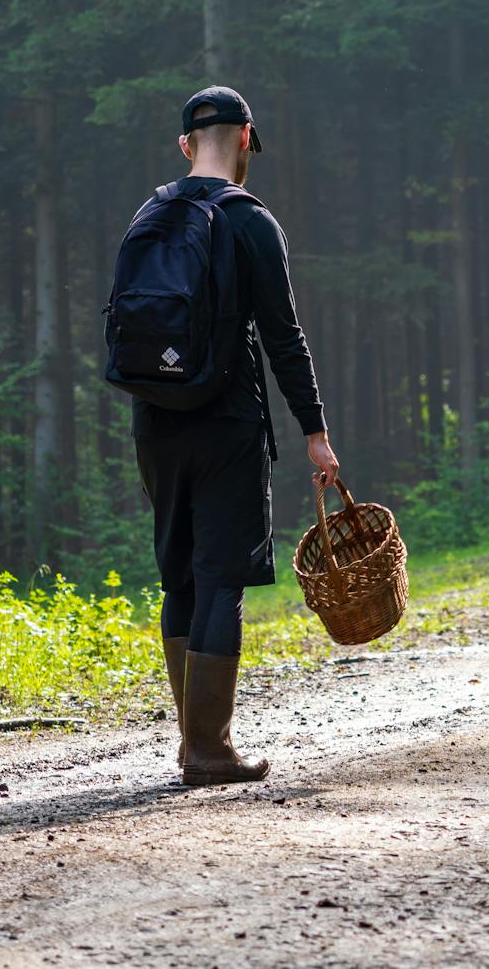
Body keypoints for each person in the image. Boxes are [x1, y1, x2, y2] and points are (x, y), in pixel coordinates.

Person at [131, 85, 340, 786]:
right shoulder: (251, 222)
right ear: (246, 138)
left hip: (154, 420)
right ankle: (210, 749)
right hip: (226, 422)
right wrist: (315, 431)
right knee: (222, 579)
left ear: (187, 146)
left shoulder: (150, 212)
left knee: (179, 576)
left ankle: (192, 742)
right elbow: (284, 339)